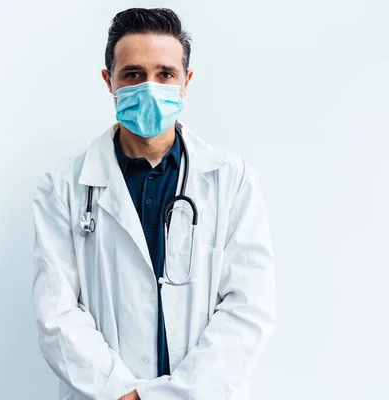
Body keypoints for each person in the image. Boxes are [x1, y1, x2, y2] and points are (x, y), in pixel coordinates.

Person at [32, 7, 276, 400]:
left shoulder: (232, 179)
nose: (149, 87)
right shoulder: (62, 188)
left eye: (165, 74)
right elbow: (56, 314)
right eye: (132, 74)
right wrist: (123, 394)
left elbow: (248, 308)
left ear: (185, 82)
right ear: (109, 82)